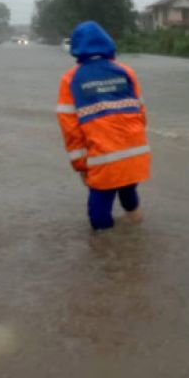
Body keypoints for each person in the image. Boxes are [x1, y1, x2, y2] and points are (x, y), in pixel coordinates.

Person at [56, 21, 150, 231]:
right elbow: (141, 113)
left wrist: (81, 165)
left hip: (103, 158)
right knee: (129, 198)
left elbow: (69, 127)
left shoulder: (70, 79)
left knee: (98, 216)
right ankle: (137, 241)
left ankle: (107, 256)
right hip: (136, 154)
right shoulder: (126, 71)